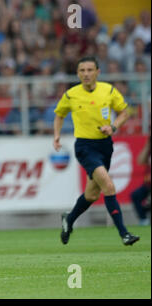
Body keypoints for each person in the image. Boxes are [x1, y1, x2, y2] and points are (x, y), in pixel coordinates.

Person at [53, 56, 140, 246]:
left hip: (105, 145)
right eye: (82, 70)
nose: (86, 74)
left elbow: (125, 112)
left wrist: (113, 127)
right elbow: (59, 114)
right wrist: (57, 135)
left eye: (90, 70)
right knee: (108, 186)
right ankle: (124, 233)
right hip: (85, 147)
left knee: (92, 195)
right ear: (77, 73)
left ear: (98, 72)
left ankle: (69, 219)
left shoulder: (108, 90)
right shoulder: (71, 94)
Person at [130, 137, 151, 225]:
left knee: (147, 203)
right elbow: (140, 161)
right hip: (148, 185)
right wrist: (148, 145)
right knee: (136, 195)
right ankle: (144, 219)